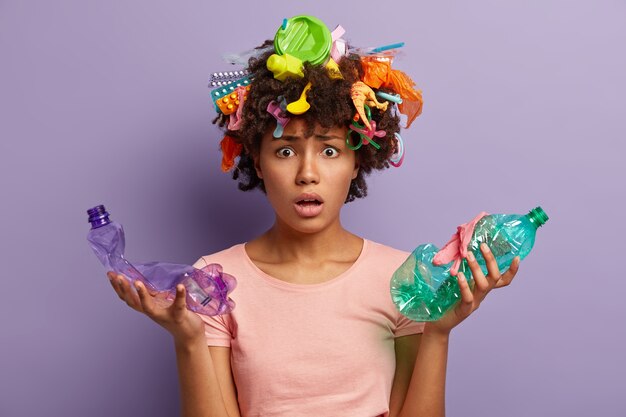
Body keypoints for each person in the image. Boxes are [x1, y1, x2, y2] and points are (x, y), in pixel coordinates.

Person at [106, 15, 521, 417]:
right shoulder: (213, 279)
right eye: (285, 151)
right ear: (257, 158)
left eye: (329, 151)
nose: (307, 174)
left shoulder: (402, 278)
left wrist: (438, 332)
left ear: (357, 160)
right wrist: (189, 340)